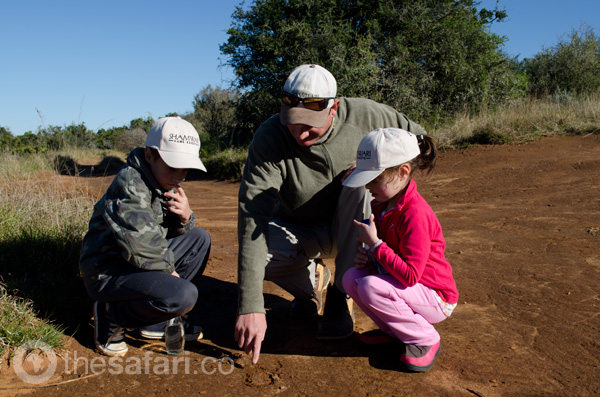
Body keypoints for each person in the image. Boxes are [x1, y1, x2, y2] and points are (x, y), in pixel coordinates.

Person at [234, 64, 427, 364]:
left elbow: (420, 140)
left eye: (310, 123)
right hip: (299, 228)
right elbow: (251, 219)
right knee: (264, 255)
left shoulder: (366, 115)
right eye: (293, 123)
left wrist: (380, 174)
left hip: (351, 228)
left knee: (360, 185)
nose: (300, 133)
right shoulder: (269, 138)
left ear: (334, 107)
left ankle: (340, 294)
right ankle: (310, 288)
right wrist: (250, 304)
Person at [79, 116, 211, 357]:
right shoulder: (131, 183)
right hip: (108, 271)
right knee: (182, 294)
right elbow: (140, 243)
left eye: (186, 169)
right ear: (150, 155)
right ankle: (110, 313)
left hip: (134, 264)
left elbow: (160, 233)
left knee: (199, 238)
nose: (179, 176)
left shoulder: (160, 181)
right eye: (173, 166)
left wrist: (185, 218)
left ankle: (155, 323)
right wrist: (169, 273)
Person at [341, 128, 459, 372]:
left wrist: (375, 245)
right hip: (410, 290)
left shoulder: (415, 213)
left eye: (374, 180)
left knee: (370, 286)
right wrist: (370, 257)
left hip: (437, 297)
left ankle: (425, 338)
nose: (368, 187)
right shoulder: (381, 205)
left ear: (403, 172)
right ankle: (394, 331)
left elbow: (410, 275)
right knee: (351, 278)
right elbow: (389, 263)